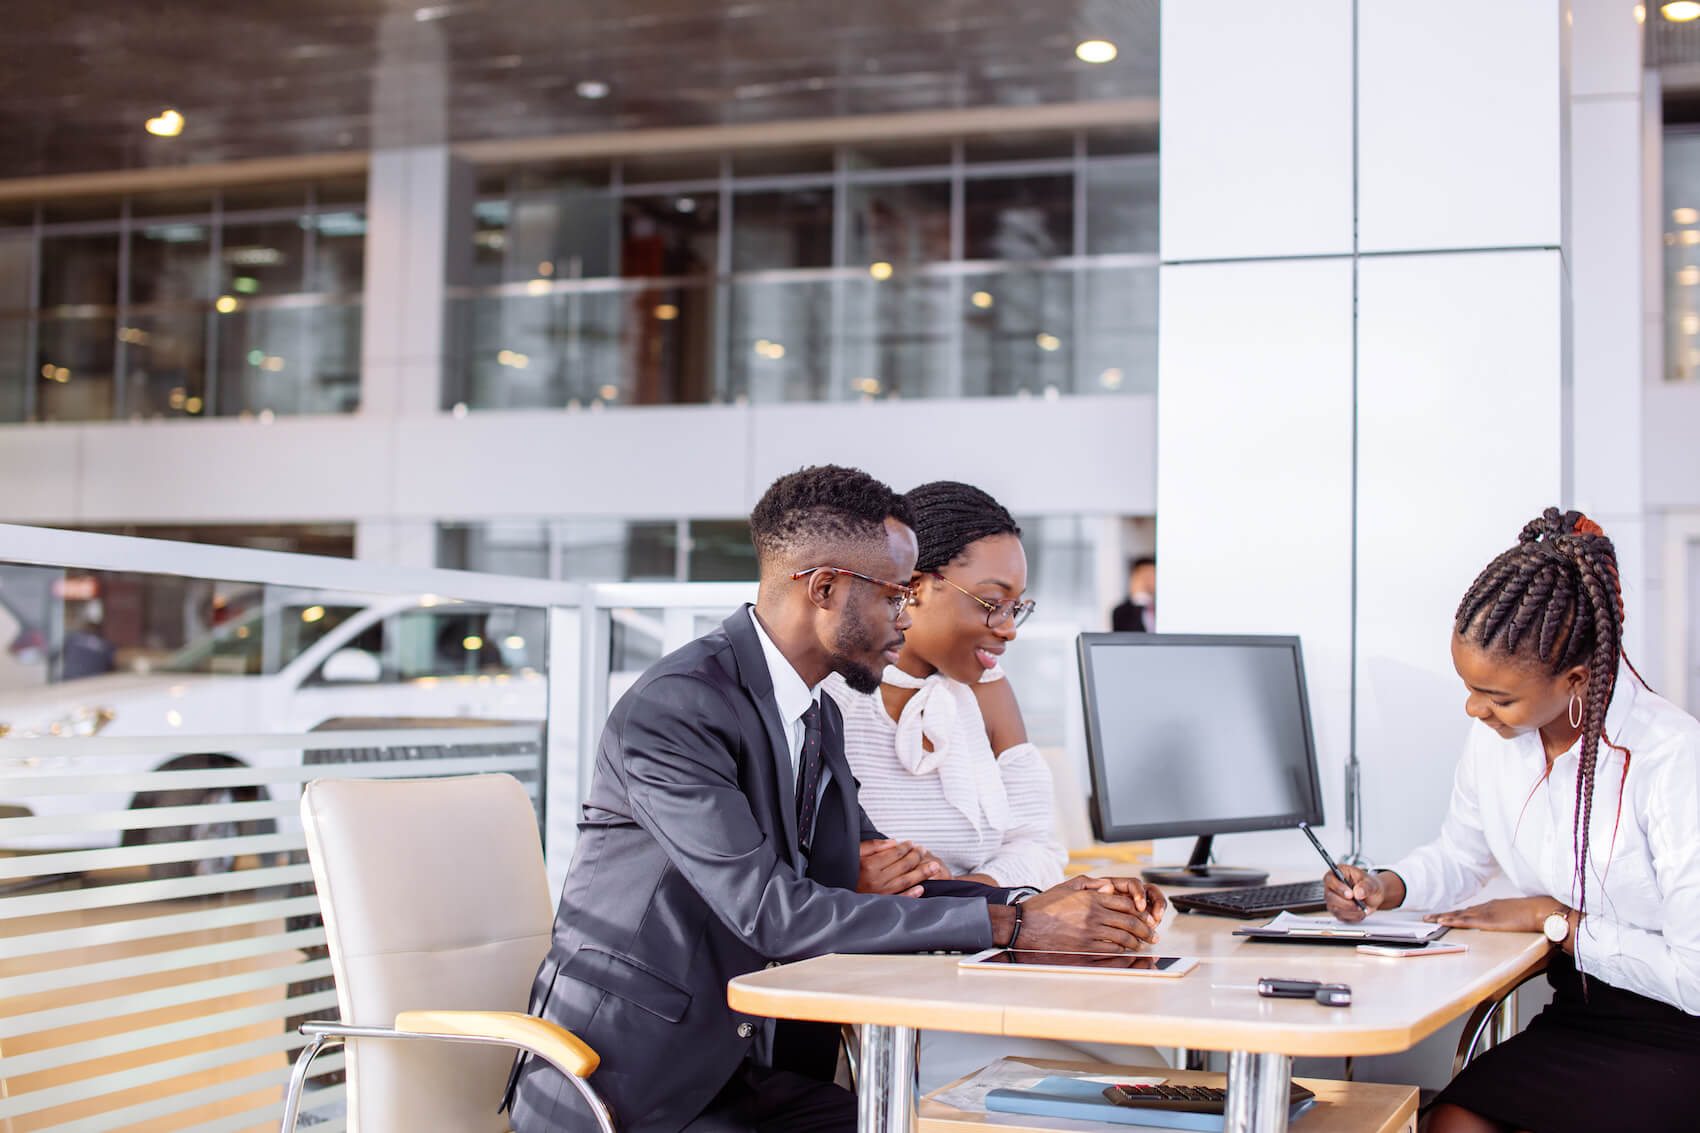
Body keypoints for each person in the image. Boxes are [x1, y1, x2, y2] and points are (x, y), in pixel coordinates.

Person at [506, 465, 1168, 1133]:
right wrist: (1013, 926)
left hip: (745, 1072)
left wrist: (1051, 904)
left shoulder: (813, 711)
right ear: (824, 588)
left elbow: (889, 877)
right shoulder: (678, 707)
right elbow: (771, 912)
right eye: (895, 596)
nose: (906, 619)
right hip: (628, 1086)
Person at [1321, 508, 1700, 1133]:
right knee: (1451, 1121)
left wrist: (1556, 921)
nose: (1475, 710)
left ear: (1575, 680)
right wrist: (1387, 886)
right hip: (1583, 1013)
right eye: (1469, 688)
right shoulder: (1500, 738)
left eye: (1498, 697)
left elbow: (1693, 976)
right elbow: (1462, 854)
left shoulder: (1671, 757)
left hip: (1681, 1028)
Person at [825, 480, 1168, 1090]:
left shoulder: (984, 691)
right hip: (897, 996)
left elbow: (1038, 844)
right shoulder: (830, 698)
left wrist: (987, 902)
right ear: (914, 585)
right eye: (991, 603)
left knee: (1151, 1067)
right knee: (1126, 1088)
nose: (1008, 629)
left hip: (995, 957)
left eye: (1016, 607)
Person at [1111, 556, 1155, 632]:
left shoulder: (1163, 608)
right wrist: (1140, 599)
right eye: (1145, 576)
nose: (1149, 581)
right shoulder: (1121, 611)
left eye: (1153, 575)